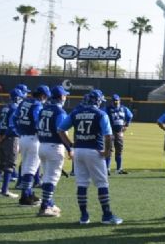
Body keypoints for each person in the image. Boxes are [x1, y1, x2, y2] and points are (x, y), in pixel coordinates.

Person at [58, 90, 122, 225]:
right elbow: (108, 136)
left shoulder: (75, 112)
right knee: (102, 183)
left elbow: (61, 130)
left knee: (81, 183)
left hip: (79, 150)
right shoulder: (100, 114)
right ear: (97, 101)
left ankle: (84, 216)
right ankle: (106, 215)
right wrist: (107, 151)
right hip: (94, 151)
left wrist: (70, 144)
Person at [13, 85, 51, 206]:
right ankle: (25, 197)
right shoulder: (37, 105)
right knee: (31, 169)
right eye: (46, 96)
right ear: (43, 96)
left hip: (23, 138)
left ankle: (28, 193)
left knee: (25, 166)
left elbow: (14, 118)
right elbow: (37, 121)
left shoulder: (24, 102)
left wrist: (19, 131)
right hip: (33, 139)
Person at [36, 85, 70, 217]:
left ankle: (49, 203)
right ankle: (45, 207)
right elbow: (61, 131)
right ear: (61, 97)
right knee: (52, 178)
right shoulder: (60, 112)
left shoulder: (43, 109)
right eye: (65, 95)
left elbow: (37, 127)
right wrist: (70, 148)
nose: (66, 97)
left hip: (42, 145)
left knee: (46, 176)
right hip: (54, 147)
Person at [0, 88, 23, 198]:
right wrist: (3, 137)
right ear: (18, 98)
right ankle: (5, 190)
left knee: (1, 163)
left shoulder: (5, 107)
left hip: (2, 136)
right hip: (10, 138)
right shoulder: (15, 108)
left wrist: (0, 136)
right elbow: (12, 126)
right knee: (10, 164)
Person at [105, 94, 133, 175]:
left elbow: (130, 116)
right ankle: (107, 169)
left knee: (119, 150)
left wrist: (126, 125)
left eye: (117, 100)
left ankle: (119, 169)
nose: (115, 102)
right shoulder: (107, 109)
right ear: (112, 101)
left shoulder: (124, 108)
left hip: (119, 132)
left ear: (119, 100)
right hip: (110, 132)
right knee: (109, 150)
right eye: (114, 101)